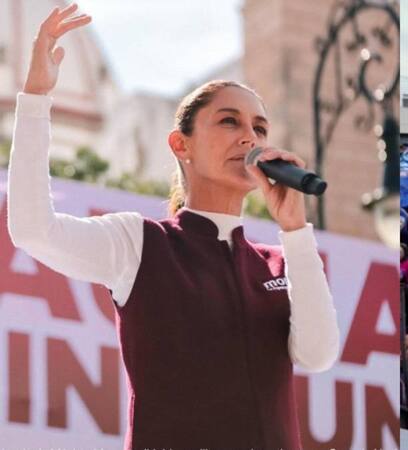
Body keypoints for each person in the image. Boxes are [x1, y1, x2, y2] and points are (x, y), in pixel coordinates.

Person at [6, 6, 338, 449]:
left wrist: (296, 231)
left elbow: (317, 355)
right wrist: (36, 97)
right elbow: (32, 229)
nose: (250, 138)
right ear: (181, 145)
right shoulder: (139, 242)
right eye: (229, 121)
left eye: (259, 127)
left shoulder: (279, 261)